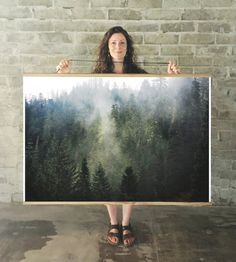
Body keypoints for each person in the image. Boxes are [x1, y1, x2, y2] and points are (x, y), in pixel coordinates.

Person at [56, 26, 180, 247]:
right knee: (108, 170)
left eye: (122, 42)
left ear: (128, 47)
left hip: (132, 132)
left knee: (129, 171)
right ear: (107, 46)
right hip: (104, 131)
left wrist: (172, 79)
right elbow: (80, 97)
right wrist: (63, 77)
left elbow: (157, 96)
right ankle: (113, 223)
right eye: (113, 43)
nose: (118, 47)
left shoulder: (139, 74)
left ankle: (126, 223)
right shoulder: (97, 75)